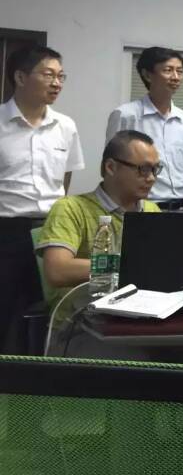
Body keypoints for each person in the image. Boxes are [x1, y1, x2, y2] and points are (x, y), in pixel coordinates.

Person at [0, 46, 84, 349]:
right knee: (6, 311)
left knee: (50, 312)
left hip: (52, 233)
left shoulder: (66, 126)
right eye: (48, 75)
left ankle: (40, 372)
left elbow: (64, 181)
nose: (57, 83)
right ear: (20, 77)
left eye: (61, 76)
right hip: (6, 231)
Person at [37, 130, 161, 289]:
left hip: (143, 299)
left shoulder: (151, 209)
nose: (151, 178)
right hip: (87, 302)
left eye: (155, 169)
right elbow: (57, 271)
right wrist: (127, 265)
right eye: (143, 169)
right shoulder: (70, 208)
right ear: (111, 167)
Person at [106, 46, 183, 212]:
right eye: (168, 70)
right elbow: (111, 168)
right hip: (143, 208)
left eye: (179, 71)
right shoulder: (126, 115)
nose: (176, 77)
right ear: (147, 74)